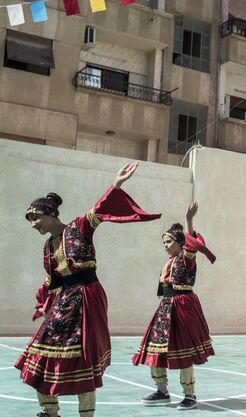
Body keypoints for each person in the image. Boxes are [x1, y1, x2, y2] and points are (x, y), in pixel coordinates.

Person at [16, 162, 161, 417]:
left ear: (51, 214)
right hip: (64, 301)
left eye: (36, 217)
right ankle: (50, 413)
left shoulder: (78, 228)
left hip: (86, 298)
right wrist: (43, 303)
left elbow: (99, 210)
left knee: (84, 358)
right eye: (30, 220)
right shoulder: (47, 248)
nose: (33, 224)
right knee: (38, 354)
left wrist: (116, 184)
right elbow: (52, 282)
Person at [132, 202, 216, 411]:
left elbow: (192, 244)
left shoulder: (186, 259)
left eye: (169, 241)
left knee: (183, 351)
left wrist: (188, 220)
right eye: (164, 242)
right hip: (165, 307)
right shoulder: (169, 262)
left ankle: (190, 395)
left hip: (182, 306)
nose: (165, 245)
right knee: (155, 350)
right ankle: (162, 392)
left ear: (180, 243)